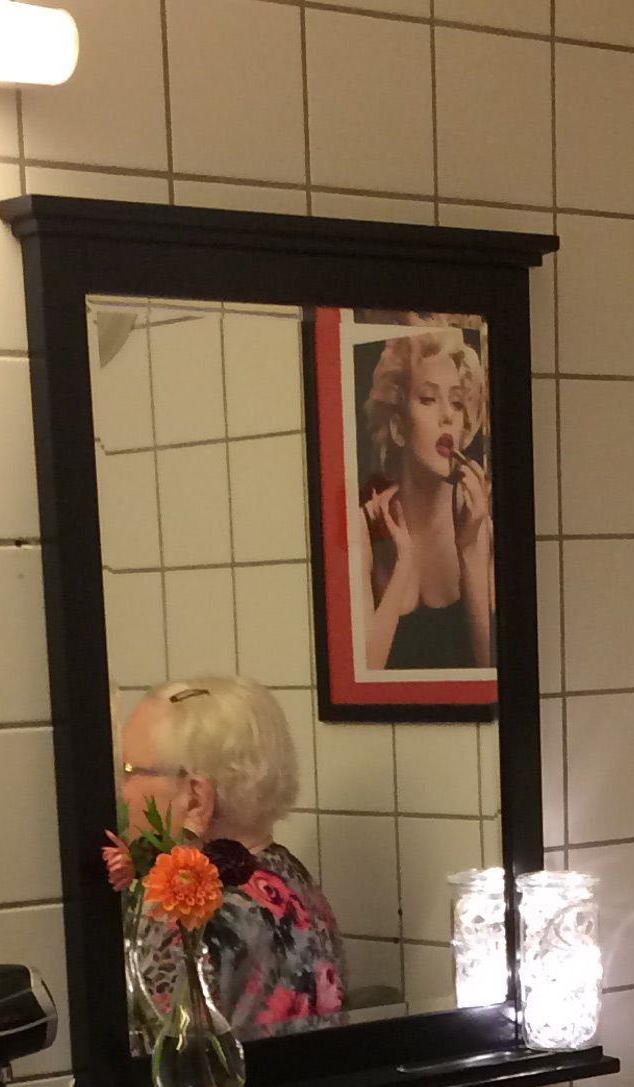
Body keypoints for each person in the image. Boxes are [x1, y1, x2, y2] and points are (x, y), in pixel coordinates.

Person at [111, 675, 344, 1037]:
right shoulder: (289, 877)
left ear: (194, 798)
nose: (118, 790)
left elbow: (161, 1057)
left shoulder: (189, 918)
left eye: (128, 771)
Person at [351, 324, 494, 673]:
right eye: (428, 399)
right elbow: (362, 675)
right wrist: (404, 566)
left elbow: (496, 670)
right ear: (399, 427)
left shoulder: (480, 522)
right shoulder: (365, 527)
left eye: (457, 403)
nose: (447, 415)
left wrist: (470, 549)